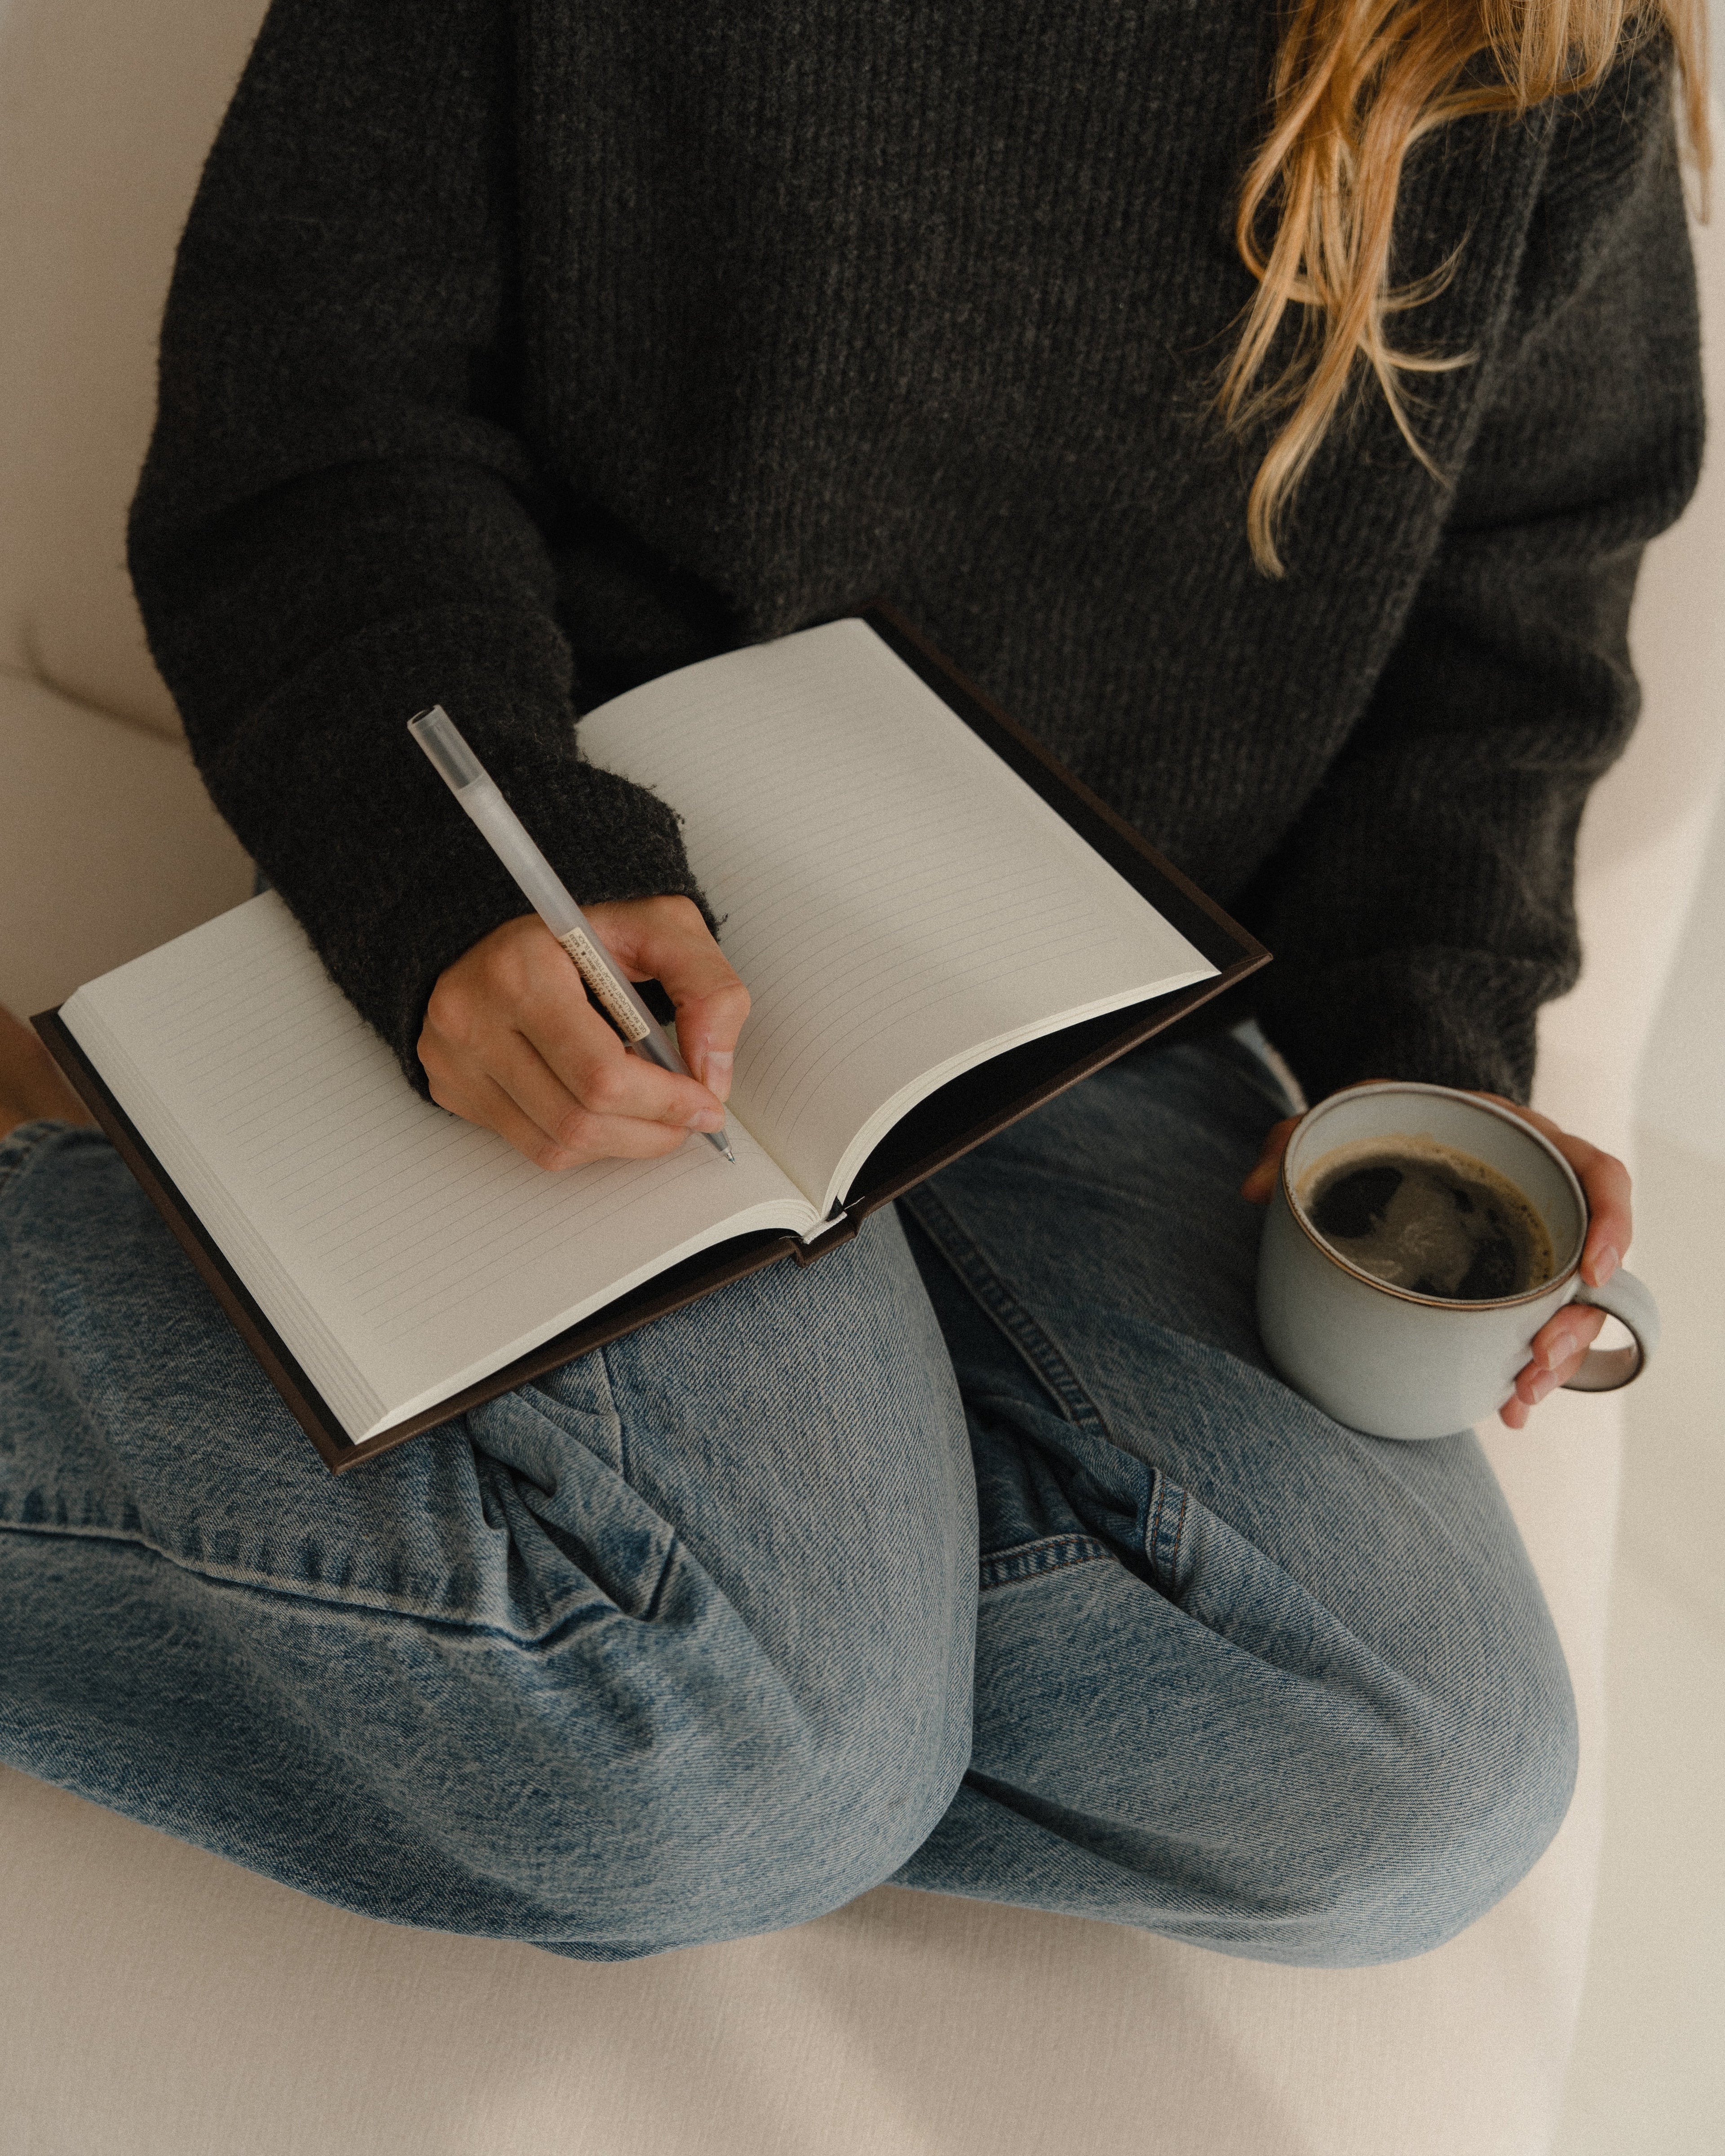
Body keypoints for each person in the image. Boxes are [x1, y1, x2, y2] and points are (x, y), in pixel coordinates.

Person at [0, 0, 1704, 1964]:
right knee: (730, 1757)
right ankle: (761, 1659)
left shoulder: (1541, 47)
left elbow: (1514, 629)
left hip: (1107, 1017)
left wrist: (1431, 1061)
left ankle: (782, 1639)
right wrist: (466, 877)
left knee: (1419, 1780)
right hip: (585, 915)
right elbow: (317, 410)